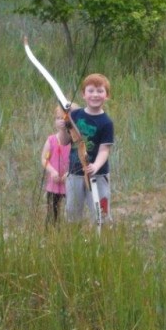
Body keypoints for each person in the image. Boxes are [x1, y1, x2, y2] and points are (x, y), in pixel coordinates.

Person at [63, 74, 115, 223]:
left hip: (98, 175)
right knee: (72, 212)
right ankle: (73, 235)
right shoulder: (75, 115)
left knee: (101, 213)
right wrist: (63, 126)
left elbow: (104, 150)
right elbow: (65, 140)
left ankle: (103, 234)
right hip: (75, 173)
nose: (95, 95)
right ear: (83, 94)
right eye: (91, 91)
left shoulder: (106, 123)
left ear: (107, 96)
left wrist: (95, 166)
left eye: (100, 91)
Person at [40, 106, 71, 225]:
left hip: (69, 183)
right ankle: (52, 231)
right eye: (58, 118)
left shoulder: (74, 141)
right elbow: (44, 159)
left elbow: (80, 161)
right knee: (52, 212)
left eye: (64, 118)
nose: (61, 121)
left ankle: (69, 230)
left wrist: (69, 173)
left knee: (71, 210)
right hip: (54, 183)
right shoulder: (51, 140)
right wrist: (52, 171)